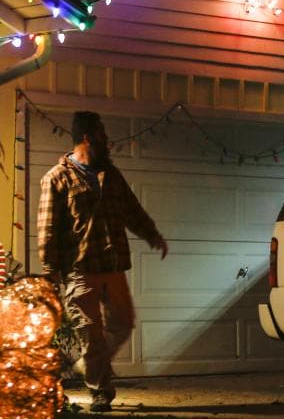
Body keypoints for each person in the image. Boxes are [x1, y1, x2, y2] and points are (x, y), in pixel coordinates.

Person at [38, 111, 168, 413]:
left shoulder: (110, 174)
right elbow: (47, 228)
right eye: (102, 135)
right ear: (87, 137)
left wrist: (152, 235)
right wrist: (49, 270)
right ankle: (100, 392)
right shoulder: (56, 178)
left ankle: (89, 365)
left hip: (113, 264)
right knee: (91, 333)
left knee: (123, 324)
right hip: (80, 270)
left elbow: (131, 210)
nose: (108, 142)